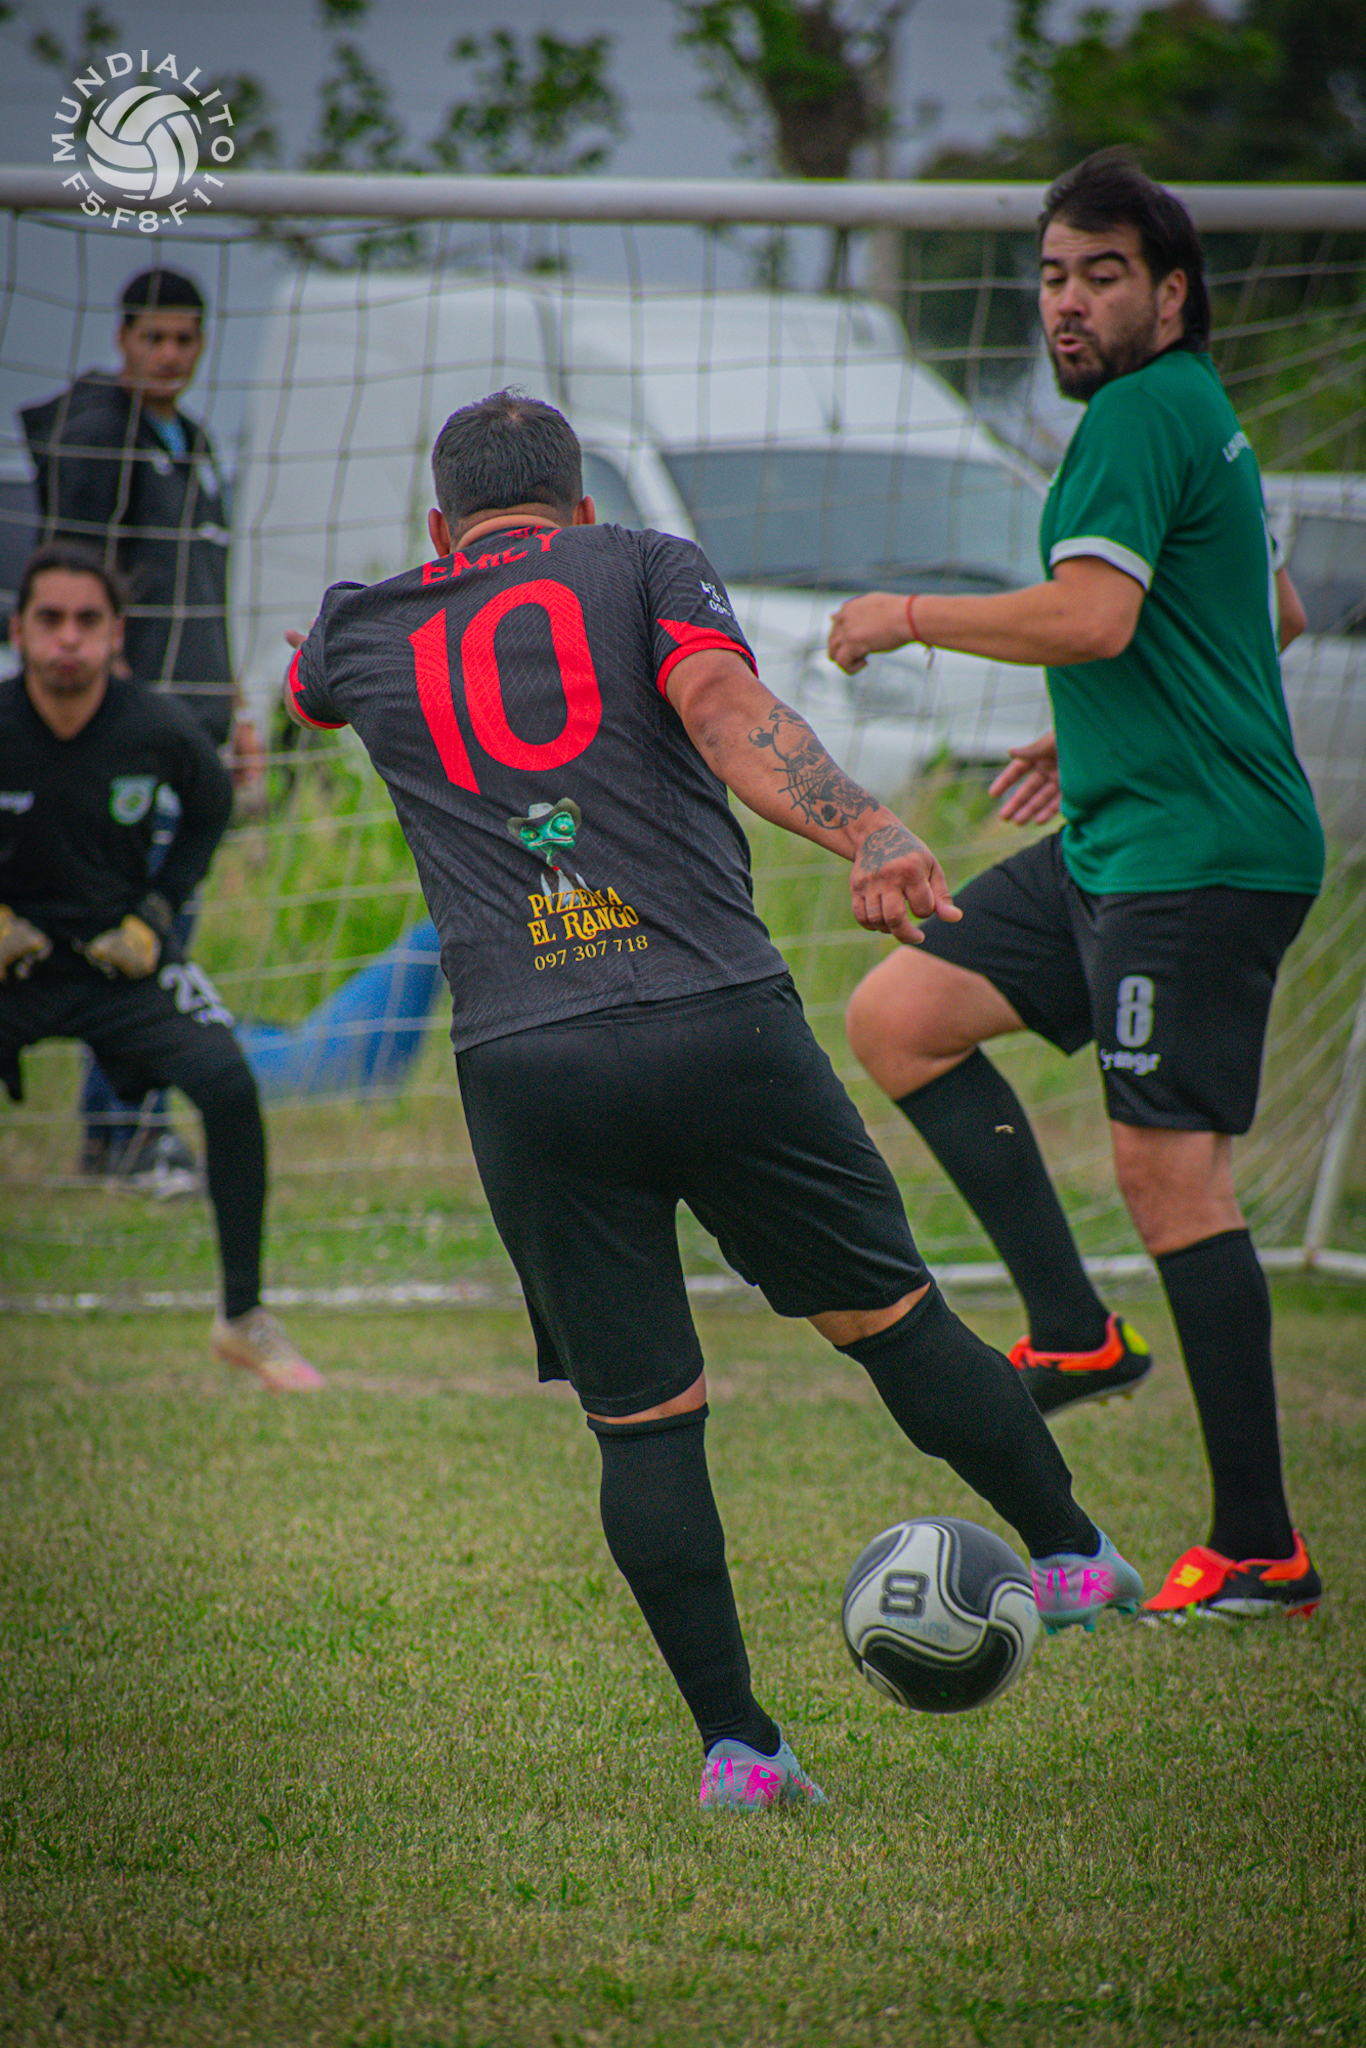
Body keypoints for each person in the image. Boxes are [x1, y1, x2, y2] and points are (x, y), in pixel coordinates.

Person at [285, 388, 1142, 1813]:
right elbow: (727, 710)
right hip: (715, 1022)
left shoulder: (359, 627)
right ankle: (1067, 1553)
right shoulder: (642, 562)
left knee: (645, 1420)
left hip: (527, 1061)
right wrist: (868, 826)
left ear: (440, 528)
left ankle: (739, 1748)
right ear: (580, 507)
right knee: (891, 1320)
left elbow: (309, 686)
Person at [827, 149, 1324, 1624]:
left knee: (1169, 1177)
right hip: (1120, 828)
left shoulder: (1137, 410)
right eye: (1051, 275)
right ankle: (1070, 1330)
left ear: (1171, 293)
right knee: (899, 1015)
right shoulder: (1187, 411)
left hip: (1194, 856)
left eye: (1102, 275)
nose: (1068, 302)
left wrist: (904, 614)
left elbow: (1096, 615)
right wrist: (1099, 723)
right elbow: (1272, 607)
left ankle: (1259, 1548)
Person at [0, 543, 321, 1394]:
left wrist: (154, 914)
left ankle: (243, 1319)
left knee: (228, 1084)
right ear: (18, 631)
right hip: (13, 963)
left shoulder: (160, 728)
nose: (69, 638)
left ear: (117, 635)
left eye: (88, 620)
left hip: (120, 961)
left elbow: (212, 811)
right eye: (50, 620)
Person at [20, 267, 263, 1187]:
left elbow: (203, 596)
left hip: (194, 726)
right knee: (124, 930)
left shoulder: (192, 444)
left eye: (184, 339)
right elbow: (77, 595)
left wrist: (238, 709)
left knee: (162, 929)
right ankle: (125, 1132)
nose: (168, 355)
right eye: (152, 338)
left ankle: (122, 1130)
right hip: (132, 739)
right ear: (122, 339)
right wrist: (112, 715)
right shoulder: (99, 438)